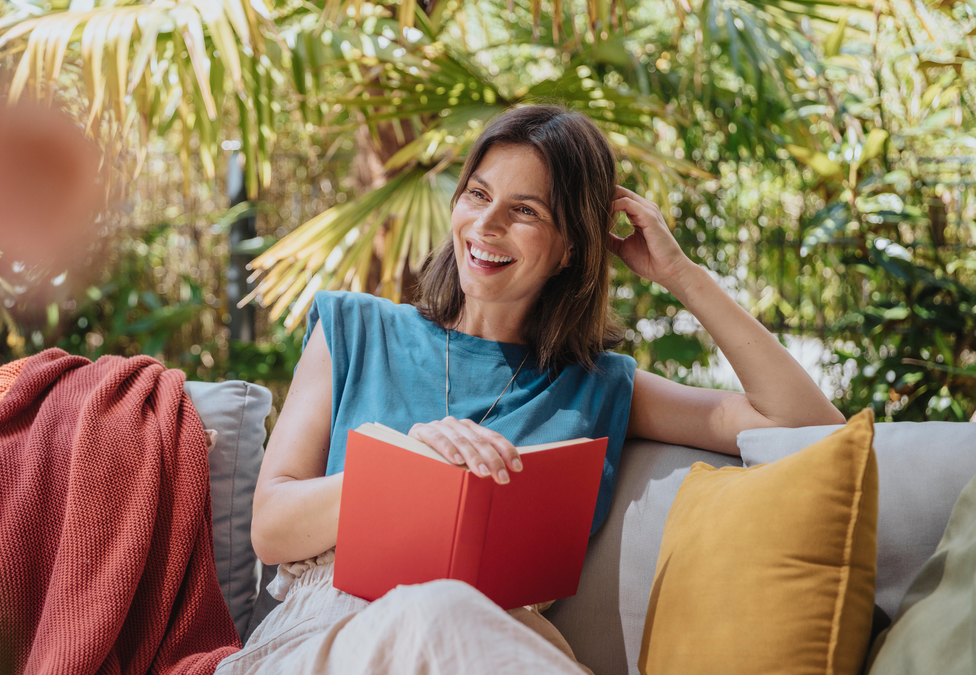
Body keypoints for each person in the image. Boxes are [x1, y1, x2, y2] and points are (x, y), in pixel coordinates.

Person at [215, 105, 844, 675]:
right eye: (477, 195)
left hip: (492, 638)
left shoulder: (596, 385)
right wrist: (408, 467)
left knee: (458, 618)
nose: (486, 225)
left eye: (524, 211)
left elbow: (807, 425)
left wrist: (681, 277)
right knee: (437, 614)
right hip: (327, 631)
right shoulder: (357, 328)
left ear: (571, 246)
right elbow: (271, 526)